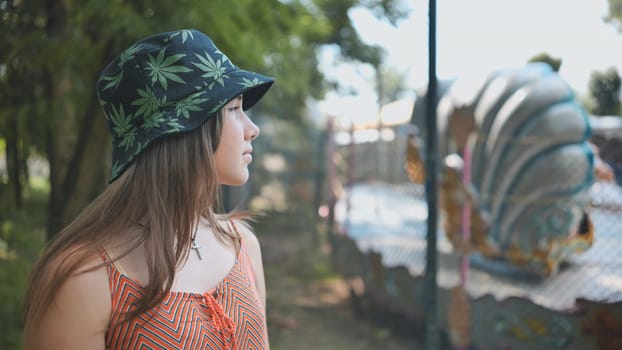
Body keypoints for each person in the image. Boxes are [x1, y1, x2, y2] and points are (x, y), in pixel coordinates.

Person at [23, 29, 275, 350]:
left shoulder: (242, 246)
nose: (252, 129)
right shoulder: (83, 277)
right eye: (233, 109)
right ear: (182, 130)